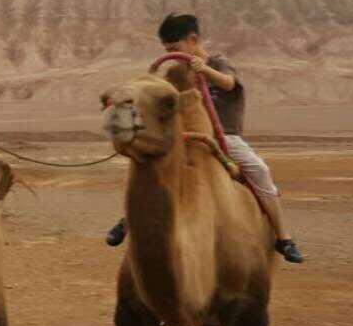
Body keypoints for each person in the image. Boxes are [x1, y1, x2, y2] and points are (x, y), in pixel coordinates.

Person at [107, 13, 305, 264]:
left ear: (193, 39)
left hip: (224, 139)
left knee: (259, 170)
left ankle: (283, 237)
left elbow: (229, 84)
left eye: (175, 48)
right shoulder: (177, 73)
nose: (172, 53)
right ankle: (128, 220)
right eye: (167, 50)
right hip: (187, 138)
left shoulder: (218, 63)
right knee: (150, 167)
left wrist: (205, 70)